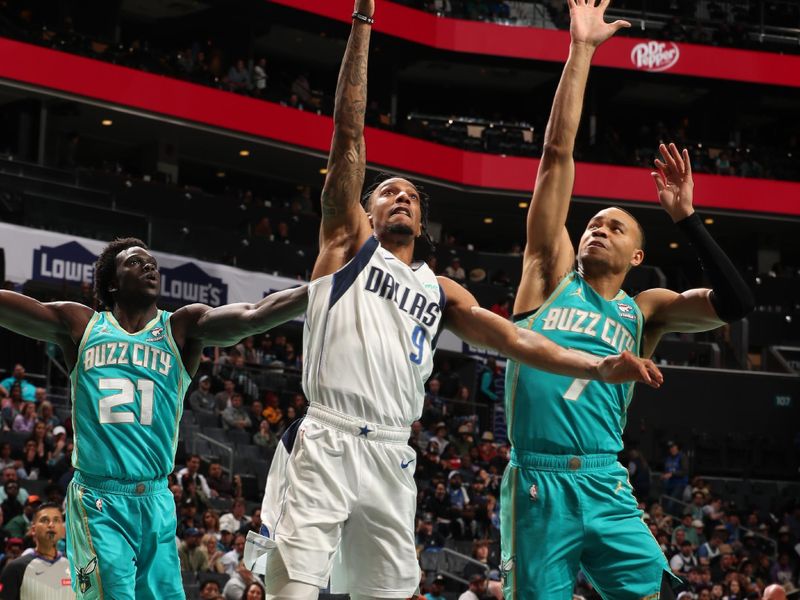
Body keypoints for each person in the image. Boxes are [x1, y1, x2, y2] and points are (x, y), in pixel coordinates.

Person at [247, 2, 662, 599]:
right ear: (363, 212)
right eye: (387, 192)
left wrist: (598, 365)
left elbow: (517, 339)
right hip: (327, 438)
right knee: (294, 589)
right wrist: (363, 23)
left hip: (393, 452)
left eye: (412, 194)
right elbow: (347, 132)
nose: (402, 198)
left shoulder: (438, 290)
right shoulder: (346, 248)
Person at [501, 1, 754, 599]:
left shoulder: (644, 311)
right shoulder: (548, 274)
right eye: (592, 222)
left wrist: (688, 219)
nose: (596, 228)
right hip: (537, 480)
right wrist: (581, 51)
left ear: (637, 258)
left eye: (614, 227)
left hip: (606, 480)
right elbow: (556, 157)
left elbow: (736, 304)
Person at [0, 238, 307, 599]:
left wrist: (321, 288)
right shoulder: (82, 325)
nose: (149, 267)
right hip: (99, 499)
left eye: (152, 263)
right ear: (112, 283)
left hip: (157, 500)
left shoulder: (181, 328)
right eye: (135, 262)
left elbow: (253, 316)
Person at [0, 502, 72, 599]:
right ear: (33, 530)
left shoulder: (73, 566)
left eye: (56, 520)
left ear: (63, 530)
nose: (51, 525)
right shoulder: (15, 568)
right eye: (45, 520)